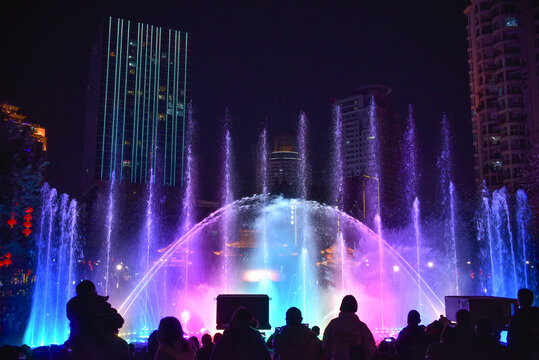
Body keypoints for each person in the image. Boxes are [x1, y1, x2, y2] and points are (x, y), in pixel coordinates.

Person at [65, 279, 130, 360]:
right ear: (93, 291)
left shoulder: (72, 305)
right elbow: (119, 320)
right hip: (101, 342)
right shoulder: (99, 305)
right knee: (123, 346)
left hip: (77, 342)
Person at [322, 295, 377, 360]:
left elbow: (325, 344)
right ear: (355, 307)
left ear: (342, 306)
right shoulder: (361, 326)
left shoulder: (333, 324)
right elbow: (370, 347)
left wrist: (332, 355)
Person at [507, 288, 539, 359]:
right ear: (532, 300)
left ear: (519, 301)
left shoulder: (517, 317)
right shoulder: (536, 313)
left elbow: (511, 339)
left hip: (521, 354)